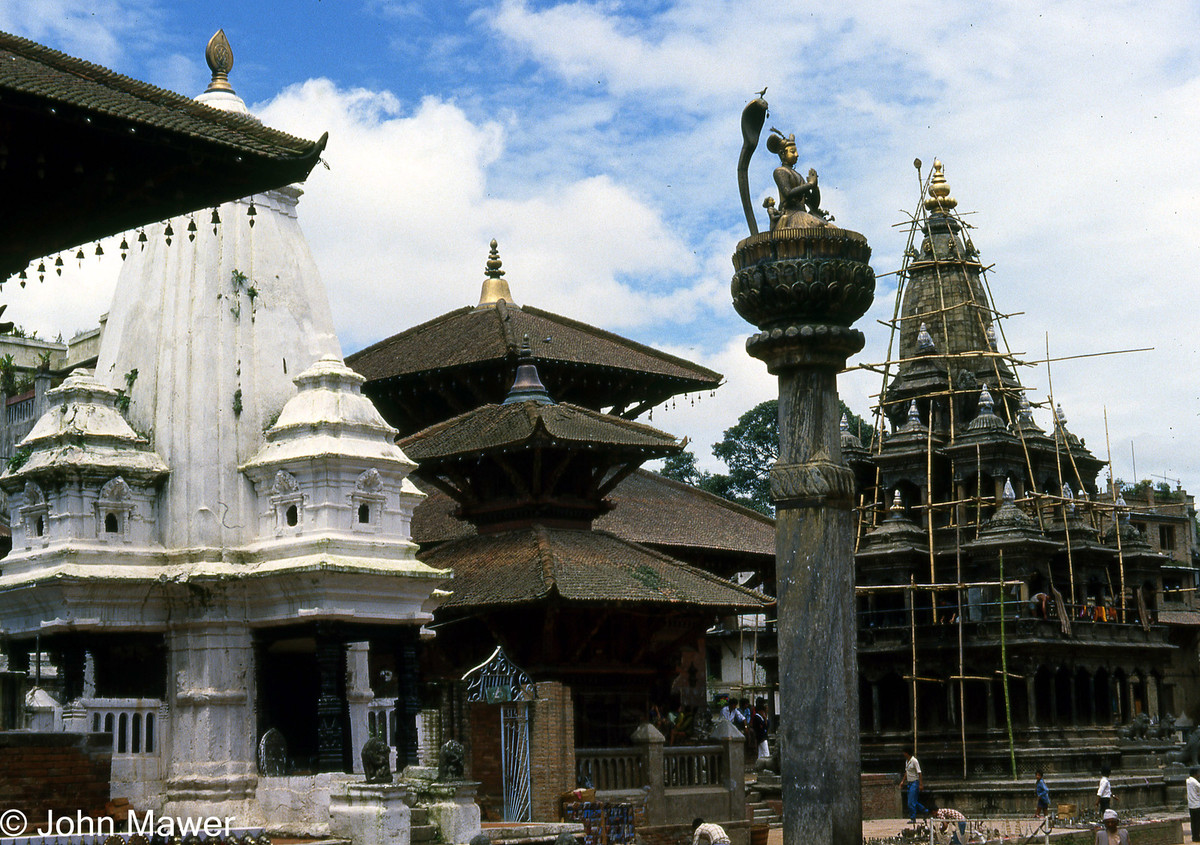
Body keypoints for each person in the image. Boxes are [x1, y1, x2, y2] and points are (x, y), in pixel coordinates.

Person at [903, 747, 929, 823]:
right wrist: (903, 781)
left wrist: (920, 784)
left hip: (915, 782)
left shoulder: (914, 761)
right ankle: (925, 810)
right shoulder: (907, 761)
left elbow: (919, 773)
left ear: (907, 753)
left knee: (911, 802)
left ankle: (913, 818)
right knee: (913, 801)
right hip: (909, 782)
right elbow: (906, 772)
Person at [1187, 767, 1200, 842]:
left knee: (1193, 822)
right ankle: (1197, 837)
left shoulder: (1188, 781)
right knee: (1198, 822)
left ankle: (1194, 837)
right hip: (1197, 805)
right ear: (1195, 774)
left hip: (1191, 805)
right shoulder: (1195, 782)